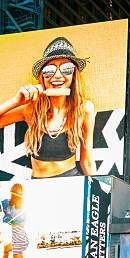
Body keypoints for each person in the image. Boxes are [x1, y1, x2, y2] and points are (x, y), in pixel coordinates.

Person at [0, 36, 95, 178]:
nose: (57, 75)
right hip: (38, 188)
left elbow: (86, 160)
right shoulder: (31, 109)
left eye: (66, 68)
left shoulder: (84, 109)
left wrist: (99, 193)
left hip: (71, 184)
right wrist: (16, 101)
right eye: (49, 70)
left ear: (74, 74)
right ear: (42, 76)